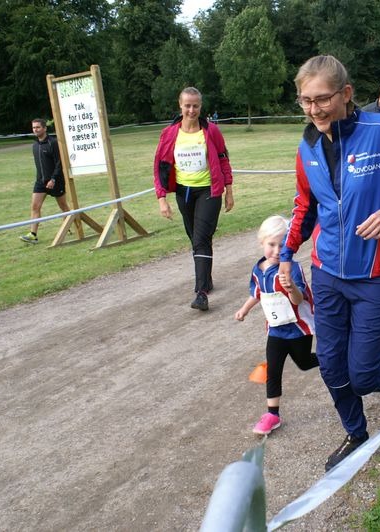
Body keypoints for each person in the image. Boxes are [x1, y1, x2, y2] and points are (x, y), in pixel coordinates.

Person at [281, 55, 380, 471]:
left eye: (322, 99)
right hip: (327, 274)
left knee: (363, 374)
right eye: (305, 100)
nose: (314, 109)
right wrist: (285, 254)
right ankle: (356, 432)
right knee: (332, 367)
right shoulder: (306, 146)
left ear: (346, 93)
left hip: (378, 277)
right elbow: (305, 207)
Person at [235, 215, 318, 436]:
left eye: (282, 245)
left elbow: (299, 300)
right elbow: (257, 293)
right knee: (273, 369)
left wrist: (291, 287)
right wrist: (244, 309)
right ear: (261, 242)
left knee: (304, 362)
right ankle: (272, 414)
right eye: (271, 244)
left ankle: (334, 357)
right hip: (275, 330)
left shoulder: (292, 269)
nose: (277, 250)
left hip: (298, 330)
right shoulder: (258, 269)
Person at [153, 87, 234, 311]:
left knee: (201, 238)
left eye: (195, 106)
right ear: (180, 105)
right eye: (187, 105)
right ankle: (206, 279)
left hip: (208, 191)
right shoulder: (169, 133)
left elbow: (223, 159)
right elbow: (159, 167)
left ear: (200, 106)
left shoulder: (211, 131)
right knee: (195, 238)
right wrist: (161, 198)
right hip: (183, 192)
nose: (191, 110)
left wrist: (229, 190)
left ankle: (201, 293)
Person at [20, 119, 70, 244]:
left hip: (56, 181)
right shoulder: (35, 145)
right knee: (35, 207)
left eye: (38, 127)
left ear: (44, 128)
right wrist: (42, 179)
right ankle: (33, 234)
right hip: (40, 182)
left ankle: (70, 224)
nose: (35, 129)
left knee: (63, 206)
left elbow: (59, 163)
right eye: (33, 127)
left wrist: (53, 179)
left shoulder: (53, 143)